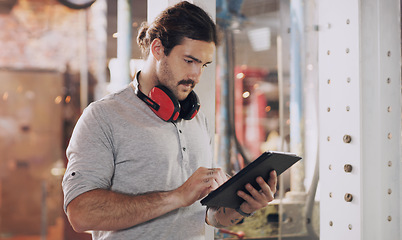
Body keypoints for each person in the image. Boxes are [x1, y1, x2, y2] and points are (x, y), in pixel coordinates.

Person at [62, 1, 277, 239]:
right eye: (189, 60)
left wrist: (243, 207)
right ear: (157, 49)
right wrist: (176, 196)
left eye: (203, 65)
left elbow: (207, 215)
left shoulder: (197, 119)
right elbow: (80, 214)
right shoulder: (103, 117)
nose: (196, 75)